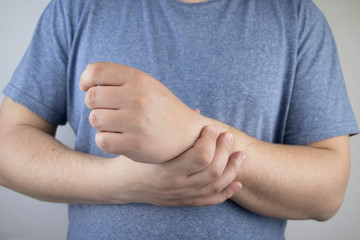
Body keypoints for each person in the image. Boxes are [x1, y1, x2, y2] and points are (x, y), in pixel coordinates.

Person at [0, 0, 358, 239]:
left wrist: (189, 131)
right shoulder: (76, 8)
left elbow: (328, 192)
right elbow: (7, 146)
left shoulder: (297, 17)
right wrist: (121, 183)